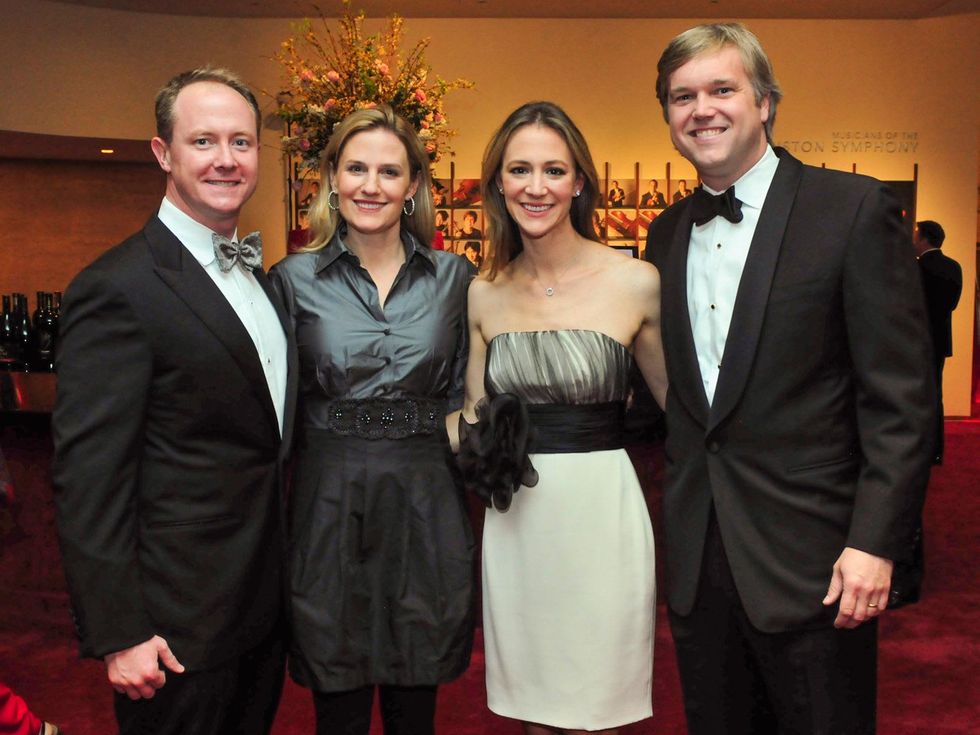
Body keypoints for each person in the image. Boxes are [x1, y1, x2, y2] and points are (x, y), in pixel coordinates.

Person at [646, 23, 934, 734]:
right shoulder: (665, 232)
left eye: (722, 89)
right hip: (700, 558)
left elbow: (900, 402)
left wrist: (875, 543)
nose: (701, 109)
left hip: (819, 560)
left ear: (766, 102)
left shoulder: (852, 211)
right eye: (682, 96)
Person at [52, 67, 297, 735]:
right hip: (174, 630)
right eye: (204, 141)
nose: (226, 159)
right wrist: (119, 631)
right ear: (163, 153)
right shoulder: (118, 287)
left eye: (241, 142)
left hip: (259, 612)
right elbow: (88, 479)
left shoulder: (264, 279)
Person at [457, 101, 667, 735]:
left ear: (579, 182)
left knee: (597, 701)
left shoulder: (636, 281)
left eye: (554, 169)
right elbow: (472, 421)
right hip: (518, 523)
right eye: (519, 169)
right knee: (535, 707)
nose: (536, 186)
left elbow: (688, 414)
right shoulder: (483, 289)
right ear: (499, 183)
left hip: (604, 515)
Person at [269, 105, 475, 735]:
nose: (371, 185)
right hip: (329, 501)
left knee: (417, 696)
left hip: (425, 501)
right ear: (331, 176)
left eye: (390, 172)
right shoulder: (290, 280)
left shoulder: (456, 279)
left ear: (413, 185)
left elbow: (474, 397)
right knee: (338, 694)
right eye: (356, 167)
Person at [913, 220, 962, 464]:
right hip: (939, 340)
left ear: (923, 239)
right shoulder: (954, 267)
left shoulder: (915, 269)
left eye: (914, 234)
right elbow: (952, 304)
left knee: (914, 396)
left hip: (915, 340)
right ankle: (936, 450)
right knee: (935, 395)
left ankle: (917, 449)